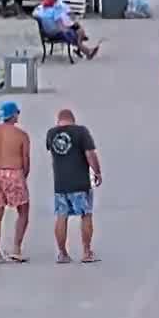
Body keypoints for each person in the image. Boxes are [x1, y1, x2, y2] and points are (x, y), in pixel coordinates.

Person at [45, 108, 101, 263]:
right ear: (73, 119)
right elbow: (90, 154)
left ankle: (62, 254)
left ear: (59, 120)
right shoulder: (81, 131)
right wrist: (97, 172)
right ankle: (86, 252)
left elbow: (53, 153)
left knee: (61, 216)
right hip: (80, 182)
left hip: (61, 183)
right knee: (86, 215)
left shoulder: (51, 133)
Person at [0, 101, 32, 262]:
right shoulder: (22, 135)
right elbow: (25, 160)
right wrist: (22, 176)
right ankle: (16, 248)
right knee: (23, 211)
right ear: (14, 115)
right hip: (14, 173)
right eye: (18, 112)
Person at [33, 0, 100, 60]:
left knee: (76, 32)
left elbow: (35, 14)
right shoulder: (55, 9)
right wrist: (66, 29)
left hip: (46, 33)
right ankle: (87, 51)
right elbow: (59, 23)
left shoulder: (42, 9)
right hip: (54, 33)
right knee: (74, 33)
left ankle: (85, 51)